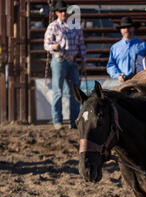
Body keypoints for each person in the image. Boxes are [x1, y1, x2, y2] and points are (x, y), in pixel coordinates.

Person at [44, 0, 86, 130]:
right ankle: (57, 121)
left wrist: (83, 61)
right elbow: (46, 45)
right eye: (61, 11)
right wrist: (53, 46)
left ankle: (74, 121)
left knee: (75, 92)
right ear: (56, 12)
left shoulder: (75, 25)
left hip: (72, 61)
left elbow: (81, 45)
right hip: (59, 60)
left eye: (65, 11)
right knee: (58, 91)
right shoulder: (53, 26)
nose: (63, 13)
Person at [106, 17, 146, 85]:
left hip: (140, 82)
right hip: (120, 82)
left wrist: (145, 74)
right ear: (120, 30)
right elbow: (111, 65)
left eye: (129, 27)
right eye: (124, 27)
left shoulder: (144, 45)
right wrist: (118, 75)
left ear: (133, 28)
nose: (126, 29)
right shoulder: (115, 47)